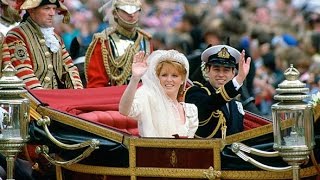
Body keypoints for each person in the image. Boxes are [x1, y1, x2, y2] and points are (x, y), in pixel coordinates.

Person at [1, 0, 83, 90]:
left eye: (54, 8)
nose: (52, 13)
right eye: (47, 8)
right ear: (31, 10)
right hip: (33, 101)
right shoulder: (17, 35)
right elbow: (25, 76)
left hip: (56, 100)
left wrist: (78, 94)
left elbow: (70, 69)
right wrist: (45, 102)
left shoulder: (56, 37)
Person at [119, 50, 198, 138]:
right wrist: (135, 78)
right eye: (164, 75)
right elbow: (124, 110)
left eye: (174, 75)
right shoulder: (148, 97)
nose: (169, 79)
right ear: (158, 78)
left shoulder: (191, 111)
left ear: (182, 80)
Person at [184, 45, 251, 139]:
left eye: (226, 70)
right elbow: (212, 102)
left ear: (233, 73)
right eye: (216, 69)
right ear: (207, 70)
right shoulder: (195, 94)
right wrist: (238, 80)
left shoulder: (236, 104)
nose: (221, 75)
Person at [85, 0, 153, 88]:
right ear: (115, 13)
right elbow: (96, 83)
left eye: (135, 10)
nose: (131, 15)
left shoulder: (146, 40)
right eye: (125, 11)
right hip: (114, 96)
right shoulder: (103, 41)